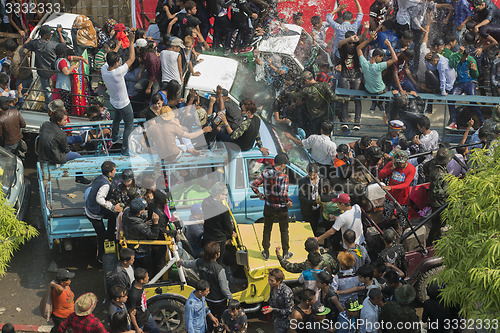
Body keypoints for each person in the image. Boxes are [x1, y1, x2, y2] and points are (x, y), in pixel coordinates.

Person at [180, 242, 232, 332]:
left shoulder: (199, 262)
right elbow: (224, 288)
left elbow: (188, 264)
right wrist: (231, 299)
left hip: (207, 298)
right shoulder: (219, 269)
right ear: (216, 255)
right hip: (218, 301)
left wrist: (180, 262)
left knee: (208, 317)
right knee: (219, 320)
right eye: (219, 251)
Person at [251, 153, 293, 260]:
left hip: (268, 206)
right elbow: (283, 194)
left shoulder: (265, 172)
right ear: (283, 165)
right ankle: (285, 253)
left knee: (267, 229)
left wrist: (259, 194)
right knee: (284, 230)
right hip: (281, 209)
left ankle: (265, 252)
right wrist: (288, 202)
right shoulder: (284, 177)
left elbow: (254, 184)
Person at [101, 30, 136, 156]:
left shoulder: (104, 69)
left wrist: (118, 45)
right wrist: (131, 42)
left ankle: (114, 137)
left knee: (116, 119)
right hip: (124, 103)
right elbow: (132, 58)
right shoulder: (118, 72)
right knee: (129, 126)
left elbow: (110, 55)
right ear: (116, 63)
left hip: (114, 101)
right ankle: (125, 150)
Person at [38, 109, 91, 184]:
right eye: (65, 120)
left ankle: (80, 138)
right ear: (58, 122)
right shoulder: (61, 134)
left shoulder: (45, 124)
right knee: (78, 156)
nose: (67, 122)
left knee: (66, 139)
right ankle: (79, 178)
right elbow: (66, 150)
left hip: (43, 153)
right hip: (54, 157)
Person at [85, 161, 123, 262]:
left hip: (91, 206)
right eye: (114, 170)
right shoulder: (105, 185)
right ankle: (101, 256)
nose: (116, 171)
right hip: (94, 213)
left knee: (112, 216)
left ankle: (110, 235)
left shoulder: (100, 178)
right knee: (101, 236)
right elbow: (99, 199)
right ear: (110, 173)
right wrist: (112, 207)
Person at [291, 71, 349, 136]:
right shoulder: (325, 85)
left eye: (304, 81)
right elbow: (334, 98)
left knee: (314, 136)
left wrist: (292, 90)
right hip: (325, 116)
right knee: (325, 135)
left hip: (314, 118)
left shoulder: (306, 90)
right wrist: (346, 99)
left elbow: (295, 95)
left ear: (307, 80)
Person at [447, 46, 483, 130]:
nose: (465, 57)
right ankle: (453, 122)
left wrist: (474, 70)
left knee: (472, 100)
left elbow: (476, 75)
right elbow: (451, 65)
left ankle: (482, 121)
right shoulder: (455, 57)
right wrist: (457, 56)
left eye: (466, 55)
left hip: (470, 82)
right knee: (451, 99)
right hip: (459, 83)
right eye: (464, 55)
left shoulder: (471, 60)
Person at [379, 150, 416, 229]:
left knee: (402, 221)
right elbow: (380, 175)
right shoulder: (391, 164)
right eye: (399, 162)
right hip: (390, 197)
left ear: (407, 160)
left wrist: (391, 187)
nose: (400, 164)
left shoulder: (411, 169)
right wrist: (391, 169)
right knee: (386, 217)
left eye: (402, 162)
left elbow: (406, 185)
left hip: (403, 199)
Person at [423, 147, 453, 244]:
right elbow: (437, 191)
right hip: (438, 202)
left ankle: (433, 241)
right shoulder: (439, 173)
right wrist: (448, 193)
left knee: (437, 223)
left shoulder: (432, 163)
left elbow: (425, 167)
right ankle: (432, 242)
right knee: (438, 224)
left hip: (435, 197)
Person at [122, 198, 160, 273]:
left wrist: (144, 223)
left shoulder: (126, 211)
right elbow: (154, 235)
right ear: (139, 212)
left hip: (130, 244)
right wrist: (156, 223)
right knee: (147, 270)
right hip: (141, 251)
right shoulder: (140, 225)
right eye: (143, 209)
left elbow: (134, 226)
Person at [23, 25, 59, 105]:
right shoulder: (54, 45)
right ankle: (54, 105)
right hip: (53, 71)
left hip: (42, 71)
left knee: (46, 90)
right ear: (45, 35)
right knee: (55, 89)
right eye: (50, 34)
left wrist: (29, 39)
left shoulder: (35, 44)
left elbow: (25, 45)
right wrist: (59, 33)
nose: (51, 35)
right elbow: (63, 47)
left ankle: (48, 106)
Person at [202, 182, 235, 264]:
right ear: (219, 194)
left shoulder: (205, 202)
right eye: (225, 194)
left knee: (208, 257)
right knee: (218, 260)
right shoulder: (222, 209)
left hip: (208, 235)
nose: (226, 196)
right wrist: (232, 233)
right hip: (219, 239)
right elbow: (227, 226)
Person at [298, 163, 328, 236]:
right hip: (307, 210)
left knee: (315, 226)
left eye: (313, 175)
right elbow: (302, 198)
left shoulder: (323, 179)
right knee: (307, 229)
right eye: (310, 174)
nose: (311, 177)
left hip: (318, 209)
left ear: (317, 173)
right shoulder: (303, 182)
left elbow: (326, 192)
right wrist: (314, 202)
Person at [126, 268, 159, 333]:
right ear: (141, 280)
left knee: (156, 330)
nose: (148, 278)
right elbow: (131, 313)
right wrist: (137, 328)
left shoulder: (139, 284)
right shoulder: (133, 295)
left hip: (146, 316)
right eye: (146, 277)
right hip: (139, 321)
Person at [262, 268, 294, 333]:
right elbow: (272, 301)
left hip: (285, 322)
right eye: (269, 280)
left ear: (279, 281)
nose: (269, 282)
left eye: (272, 280)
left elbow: (289, 311)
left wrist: (273, 309)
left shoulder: (286, 291)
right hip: (276, 320)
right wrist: (268, 308)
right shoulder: (272, 287)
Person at [50, 269, 75, 333]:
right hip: (60, 317)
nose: (70, 280)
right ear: (62, 282)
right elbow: (59, 288)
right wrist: (52, 284)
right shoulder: (58, 290)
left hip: (69, 315)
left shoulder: (66, 286)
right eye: (68, 279)